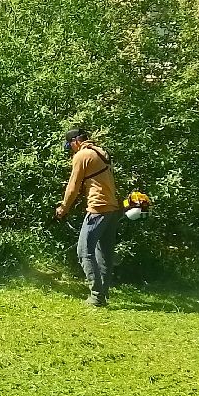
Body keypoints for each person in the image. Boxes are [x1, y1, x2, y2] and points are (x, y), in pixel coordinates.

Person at [54, 128, 124, 307]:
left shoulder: (82, 155)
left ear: (75, 141)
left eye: (70, 146)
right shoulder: (101, 152)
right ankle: (103, 295)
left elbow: (73, 186)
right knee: (104, 254)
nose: (71, 150)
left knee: (84, 251)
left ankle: (96, 297)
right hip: (112, 208)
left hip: (98, 208)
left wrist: (63, 208)